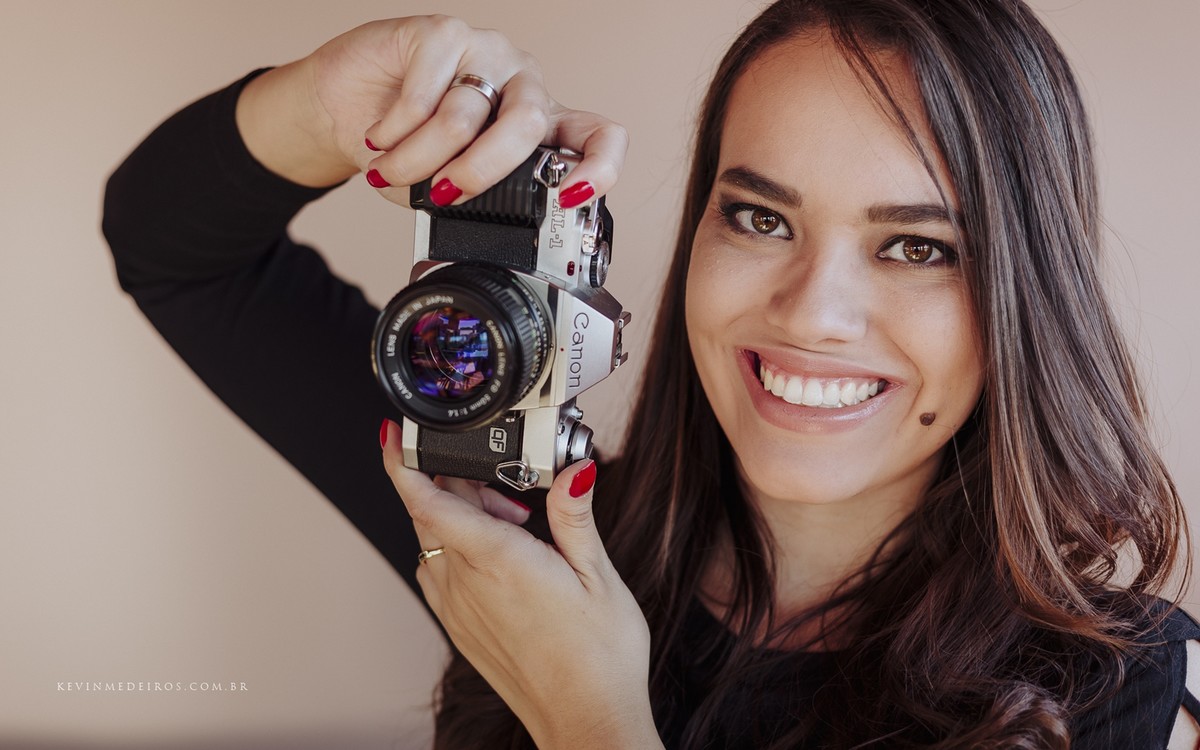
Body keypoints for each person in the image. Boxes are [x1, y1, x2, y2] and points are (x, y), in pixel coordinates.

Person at [102, 1, 1200, 747]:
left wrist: (592, 727)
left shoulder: (1124, 698)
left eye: (917, 245)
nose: (812, 312)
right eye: (760, 217)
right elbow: (174, 248)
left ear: (1023, 290)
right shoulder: (507, 535)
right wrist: (334, 105)